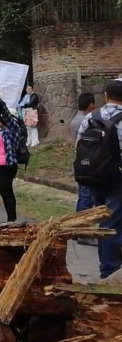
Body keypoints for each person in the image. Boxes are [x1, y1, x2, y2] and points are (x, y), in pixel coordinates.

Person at [76, 80, 122, 278]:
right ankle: (111, 272)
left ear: (105, 95)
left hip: (94, 177)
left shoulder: (91, 117)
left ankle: (108, 268)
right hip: (118, 178)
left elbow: (79, 145)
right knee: (113, 224)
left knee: (105, 221)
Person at [0, 90, 22, 222]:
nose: (0, 118)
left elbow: (5, 113)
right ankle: (10, 218)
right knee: (4, 192)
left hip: (6, 165)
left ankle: (11, 219)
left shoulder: (13, 128)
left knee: (7, 192)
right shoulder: (1, 130)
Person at [70, 93, 96, 245]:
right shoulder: (87, 121)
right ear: (91, 105)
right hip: (87, 162)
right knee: (87, 197)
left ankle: (76, 229)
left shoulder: (75, 120)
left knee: (82, 197)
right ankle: (82, 232)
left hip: (78, 161)